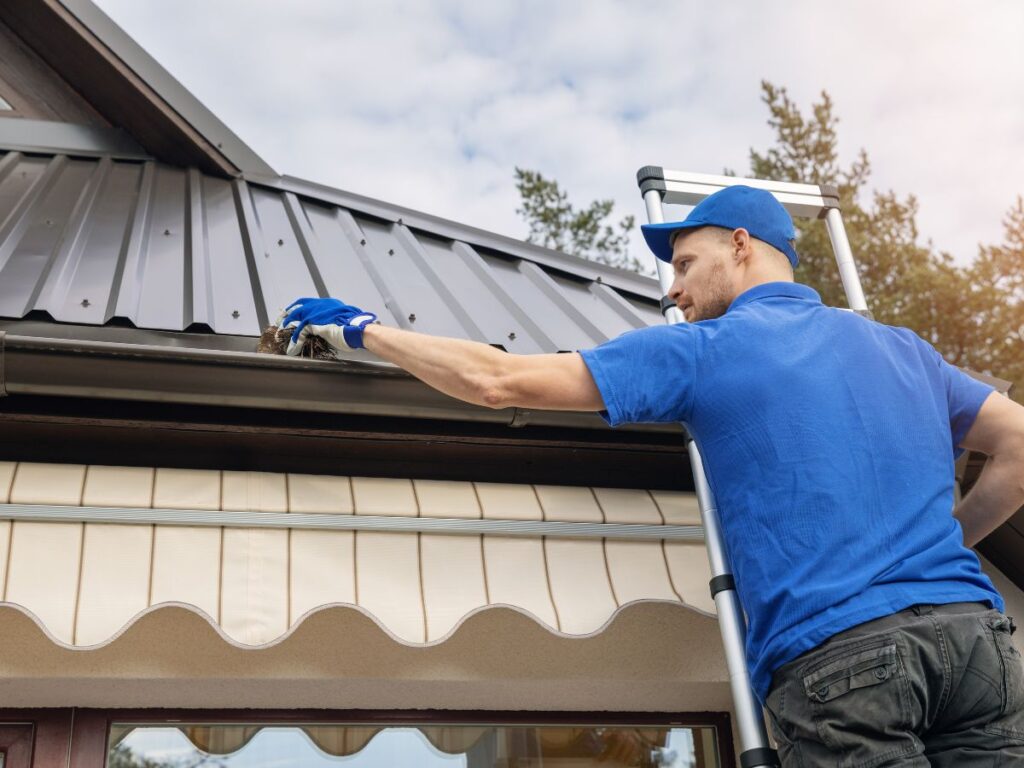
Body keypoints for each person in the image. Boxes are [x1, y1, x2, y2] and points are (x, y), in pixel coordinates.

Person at [280, 185, 1024, 766]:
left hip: (844, 660)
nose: (672, 290)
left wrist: (361, 329)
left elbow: (495, 381)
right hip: (977, 646)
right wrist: (936, 545)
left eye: (684, 265)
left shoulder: (706, 350)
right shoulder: (904, 350)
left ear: (741, 246)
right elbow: (1019, 442)